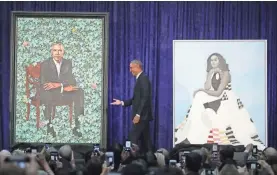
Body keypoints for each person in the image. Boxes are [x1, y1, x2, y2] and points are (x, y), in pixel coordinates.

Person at [175, 53, 265, 150]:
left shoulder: (225, 73)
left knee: (200, 94)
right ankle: (192, 135)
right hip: (215, 97)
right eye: (211, 60)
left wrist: (201, 90)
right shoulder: (211, 72)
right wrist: (209, 75)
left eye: (215, 60)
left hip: (226, 98)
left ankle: (194, 136)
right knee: (199, 96)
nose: (213, 62)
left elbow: (218, 92)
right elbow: (207, 87)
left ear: (220, 61)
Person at [40, 42, 84, 137]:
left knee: (79, 91)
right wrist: (62, 86)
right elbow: (44, 83)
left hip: (62, 90)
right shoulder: (45, 64)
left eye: (60, 50)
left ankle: (77, 124)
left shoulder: (68, 63)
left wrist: (59, 85)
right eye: (55, 50)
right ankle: (49, 126)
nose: (57, 53)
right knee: (47, 93)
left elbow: (71, 80)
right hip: (50, 92)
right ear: (51, 52)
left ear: (63, 52)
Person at [111, 59, 153, 152]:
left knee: (131, 139)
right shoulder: (141, 79)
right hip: (143, 116)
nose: (130, 70)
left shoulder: (143, 79)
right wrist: (122, 102)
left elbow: (145, 98)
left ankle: (127, 160)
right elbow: (135, 99)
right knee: (146, 142)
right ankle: (152, 160)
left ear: (137, 67)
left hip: (141, 116)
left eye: (131, 68)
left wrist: (138, 114)